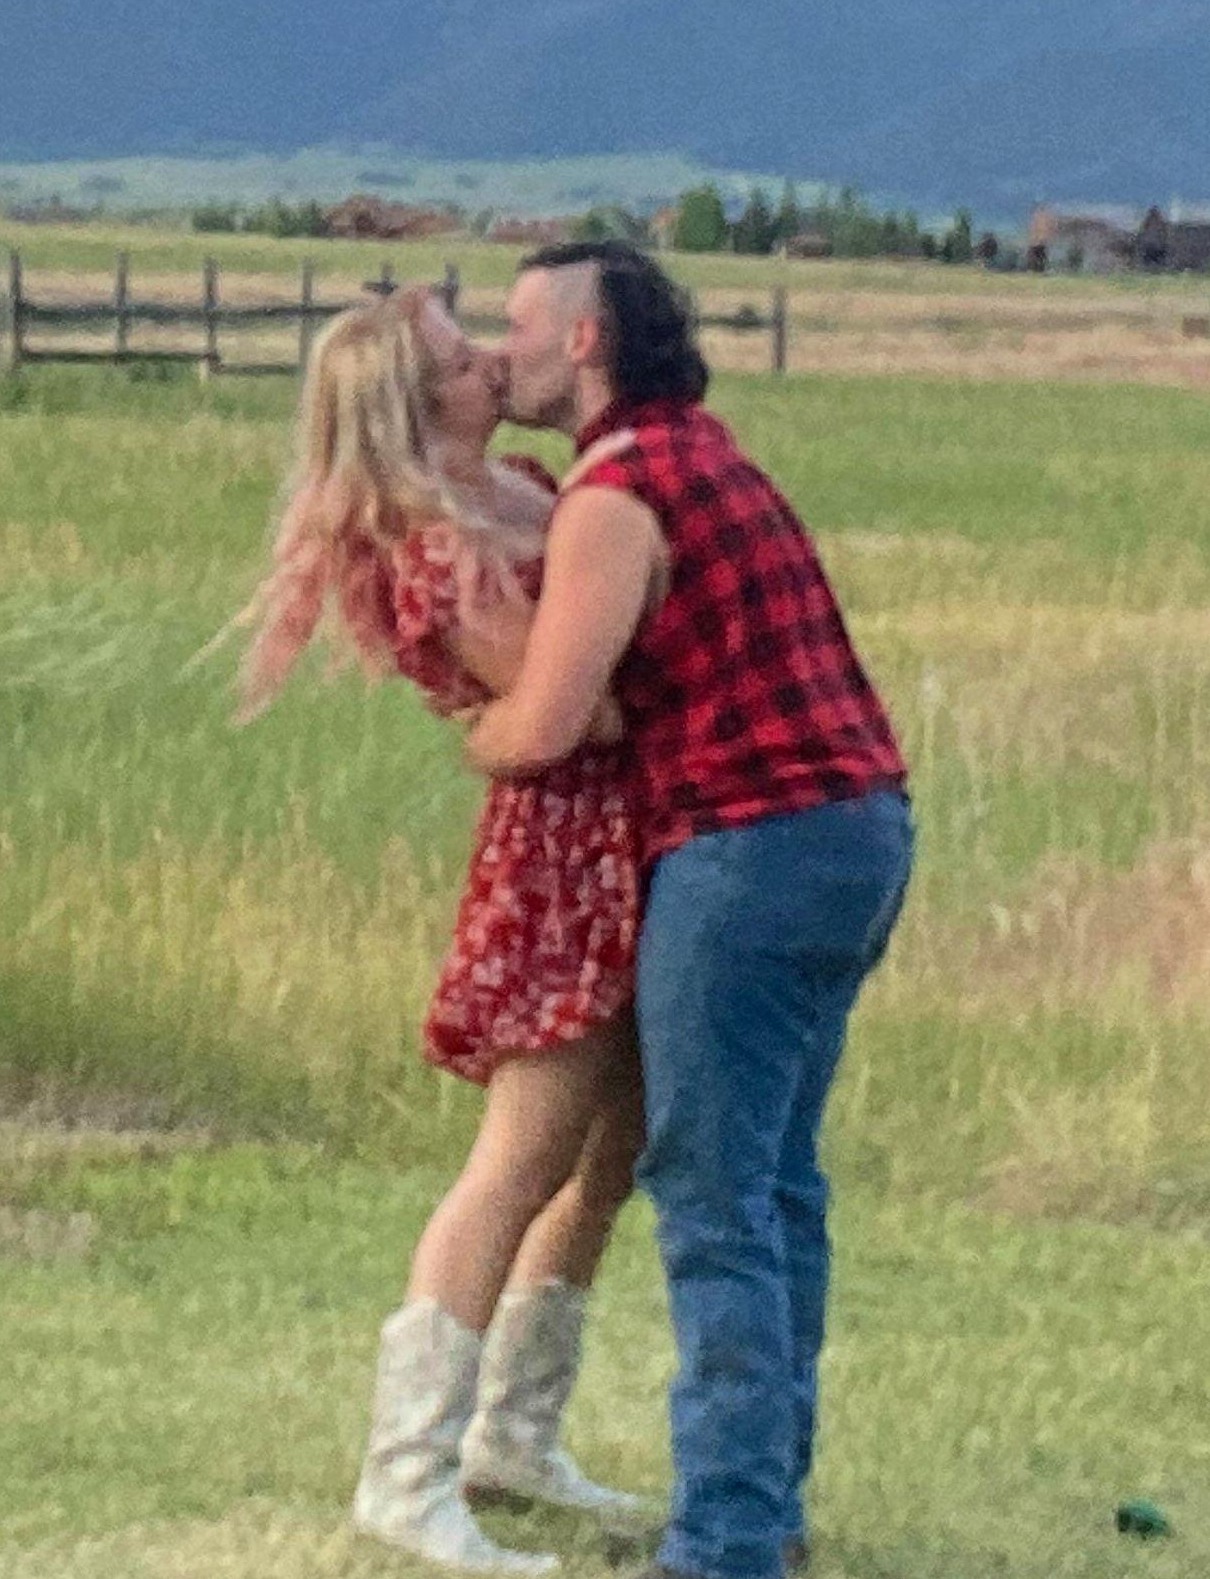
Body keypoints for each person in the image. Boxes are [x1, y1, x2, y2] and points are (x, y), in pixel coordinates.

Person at [466, 243, 911, 1579]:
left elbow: (549, 723)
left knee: (713, 1194)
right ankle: (762, 1501)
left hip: (744, 846)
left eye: (518, 325)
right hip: (854, 828)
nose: (500, 351)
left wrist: (475, 721)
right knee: (774, 1185)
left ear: (585, 338)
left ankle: (723, 1540)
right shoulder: (701, 454)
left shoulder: (613, 495)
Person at [239, 287, 650, 1579]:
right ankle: (405, 1473)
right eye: (459, 359)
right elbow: (571, 709)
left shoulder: (521, 486)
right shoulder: (430, 546)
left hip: (629, 835)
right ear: (418, 409)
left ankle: (510, 1436)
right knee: (521, 1155)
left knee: (610, 1152)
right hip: (563, 850)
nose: (489, 360)